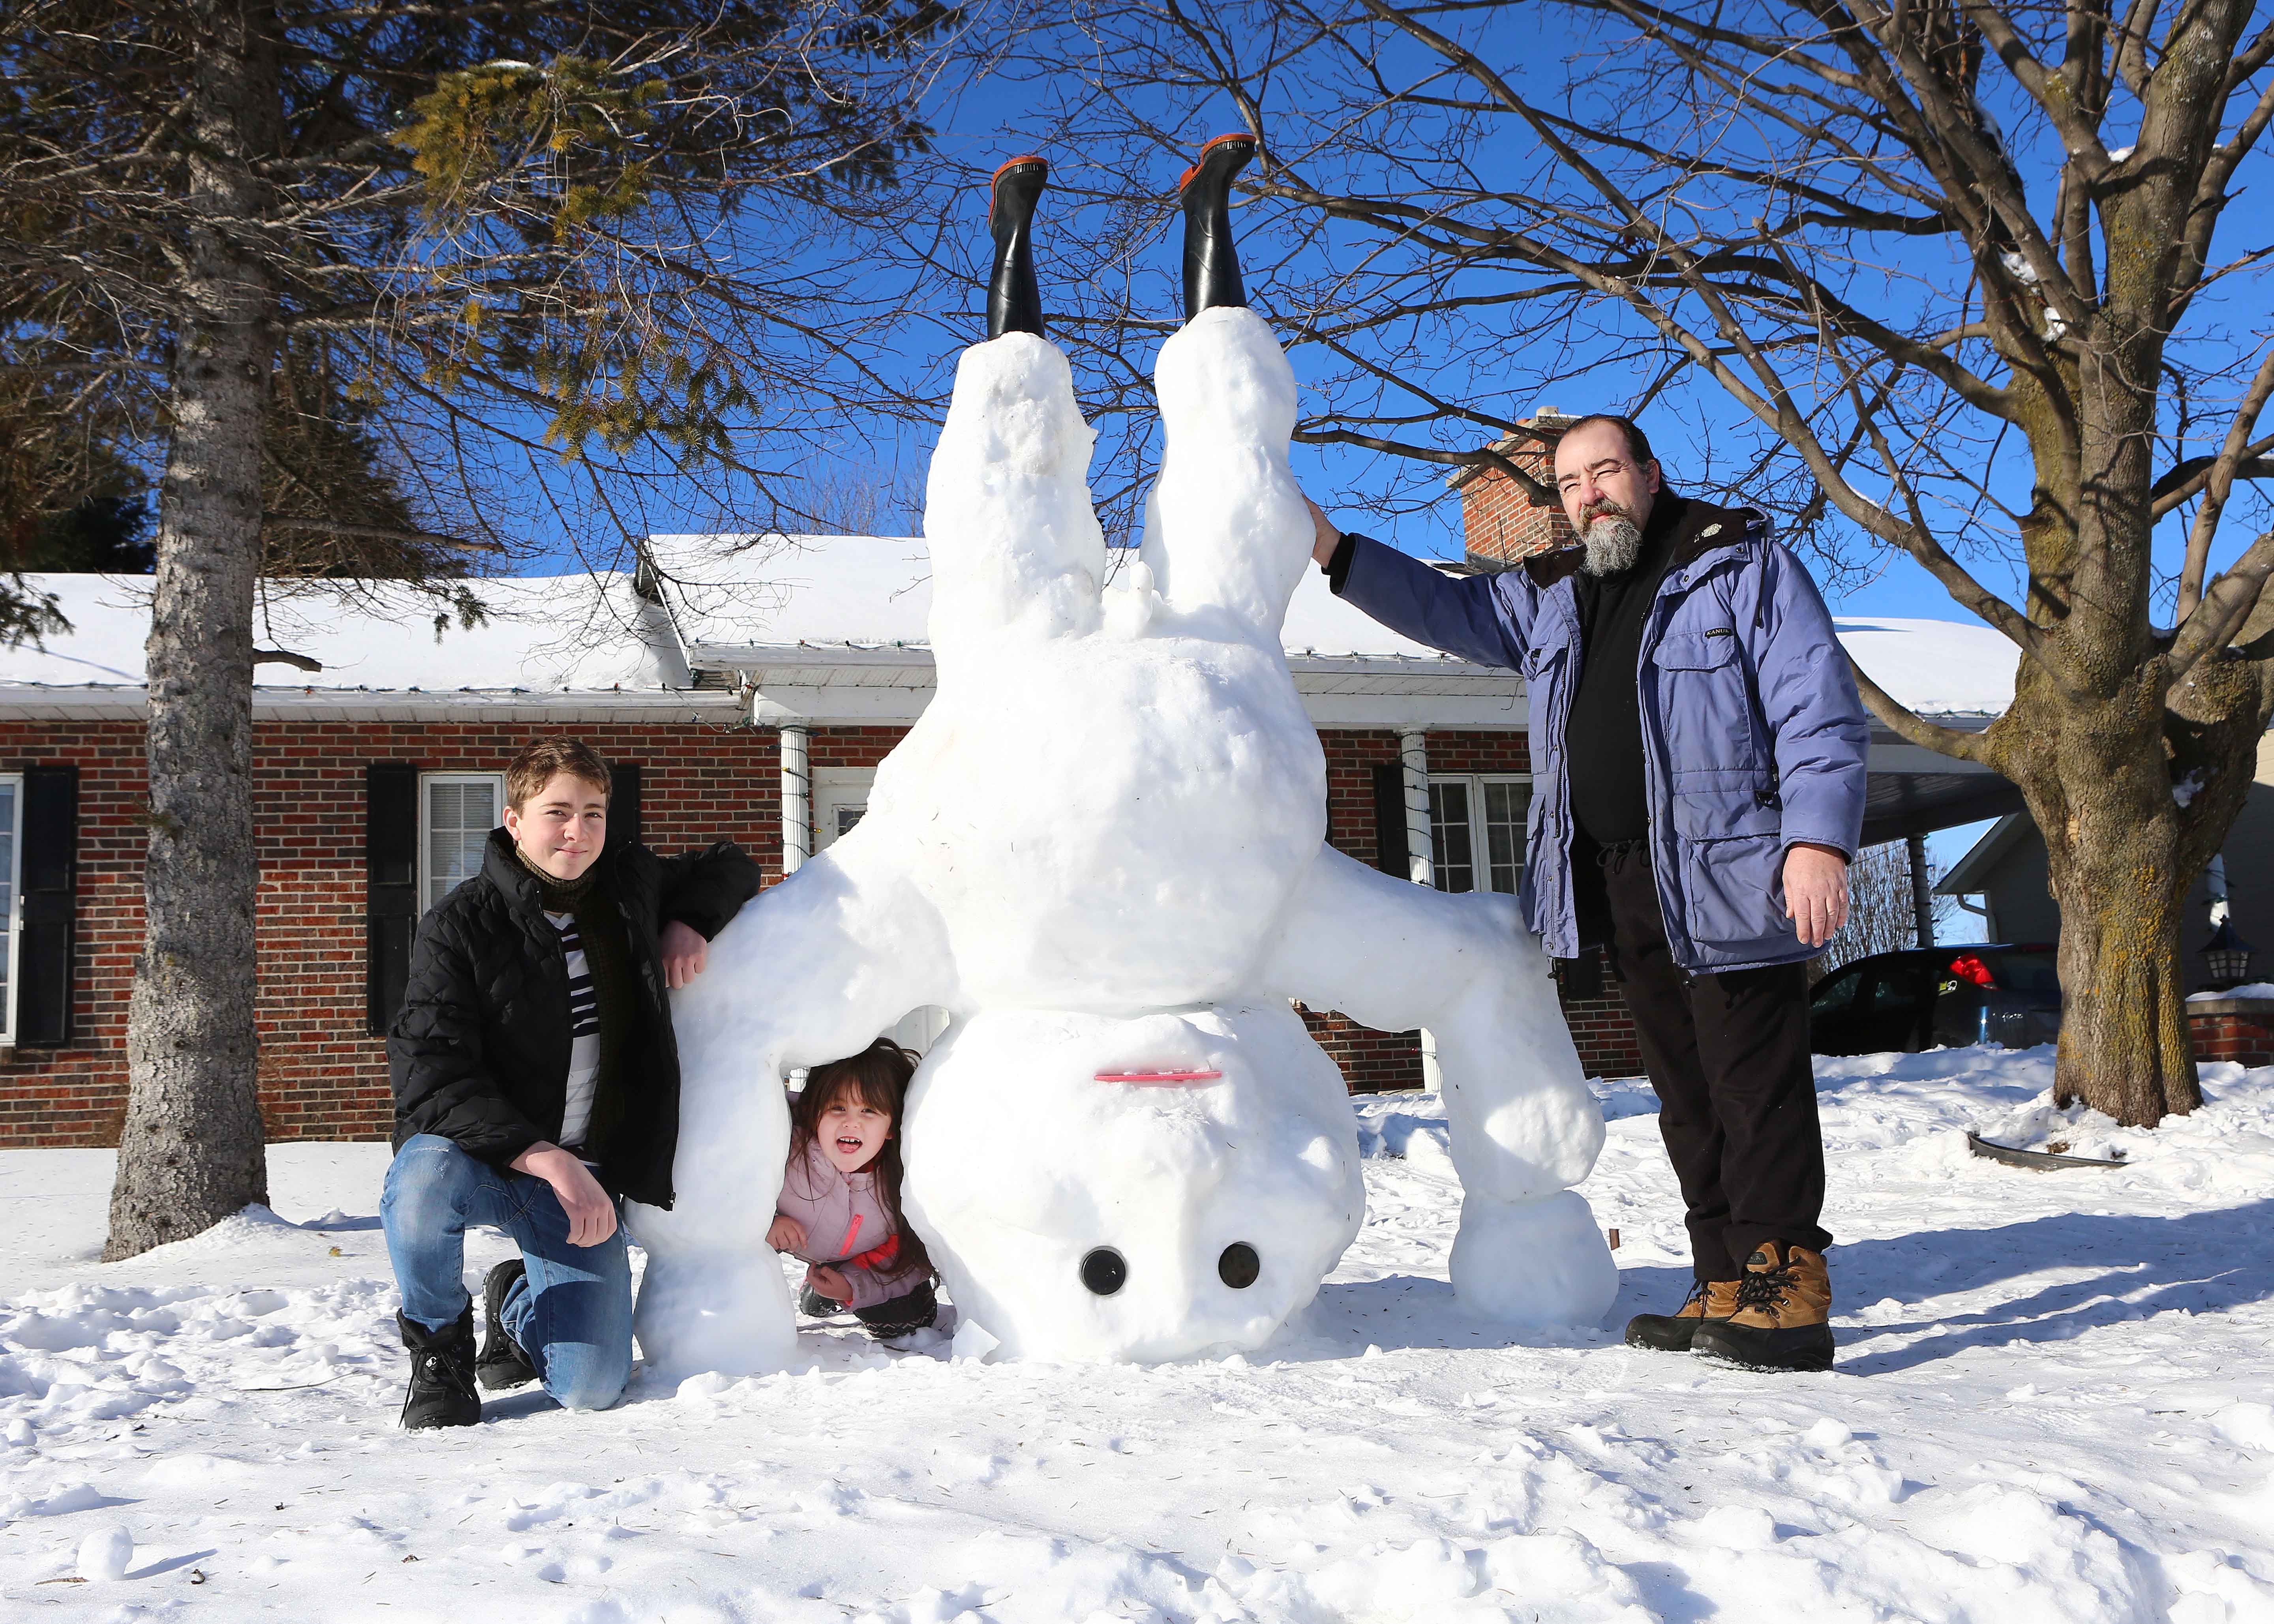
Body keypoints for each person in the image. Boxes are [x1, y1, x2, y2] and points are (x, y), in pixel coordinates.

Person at [1304, 417, 1869, 1371]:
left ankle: (1786, 1280)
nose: (1588, 492)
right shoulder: (1553, 595)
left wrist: (1814, 839)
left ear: (1648, 473)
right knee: (1685, 1092)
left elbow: (1812, 700)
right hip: (1618, 878)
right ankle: (1725, 1276)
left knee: (1751, 1080)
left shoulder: (1736, 565)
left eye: (1603, 470)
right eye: (1568, 482)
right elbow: (1446, 611)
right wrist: (1329, 548)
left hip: (1726, 867)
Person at [382, 737, 760, 1427]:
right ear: (513, 820)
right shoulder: (458, 926)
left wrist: (688, 919)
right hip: (485, 1161)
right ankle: (440, 1355)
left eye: (593, 813)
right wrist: (544, 1155)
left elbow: (730, 863)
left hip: (582, 1179)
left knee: (589, 1386)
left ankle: (517, 1302)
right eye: (557, 811)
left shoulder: (628, 890)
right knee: (419, 1179)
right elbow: (431, 1075)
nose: (576, 831)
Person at [769, 1040, 942, 1345]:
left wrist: (852, 1286)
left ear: (891, 1126)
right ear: (815, 1114)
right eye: (838, 1108)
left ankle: (824, 1290)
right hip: (791, 1239)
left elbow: (909, 1253)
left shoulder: (902, 1179)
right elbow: (731, 1187)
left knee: (912, 1319)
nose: (852, 1121)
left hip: (862, 1258)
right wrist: (765, 1221)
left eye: (870, 1111)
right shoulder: (786, 1150)